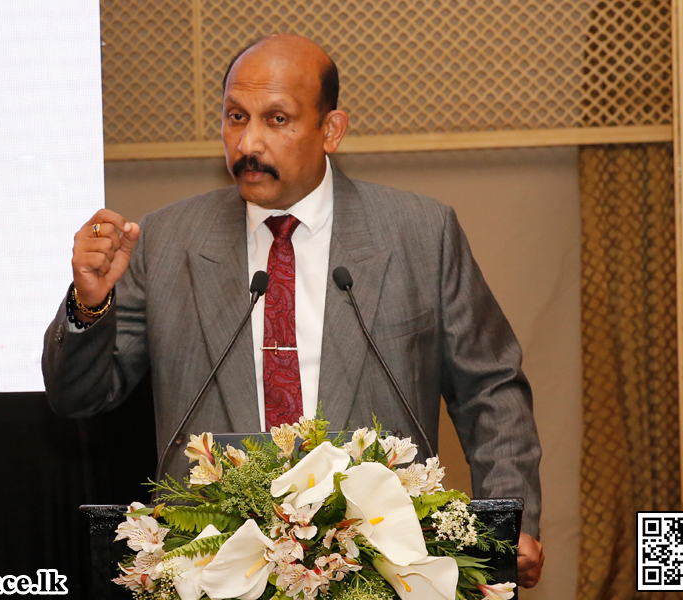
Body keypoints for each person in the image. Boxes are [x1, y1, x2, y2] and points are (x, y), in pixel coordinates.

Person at [43, 33, 545, 587]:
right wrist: (89, 307)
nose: (249, 142)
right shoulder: (169, 240)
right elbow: (79, 397)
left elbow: (490, 390)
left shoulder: (420, 234)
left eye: (276, 120)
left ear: (330, 130)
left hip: (378, 572)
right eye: (236, 117)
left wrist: (505, 521)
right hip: (213, 569)